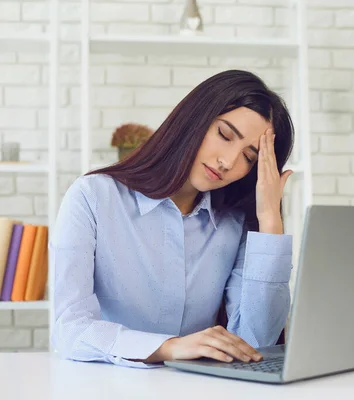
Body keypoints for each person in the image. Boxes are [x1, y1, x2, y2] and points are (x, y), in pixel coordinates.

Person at [50, 70, 296, 368]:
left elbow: (256, 345)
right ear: (195, 119)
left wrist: (270, 220)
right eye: (224, 135)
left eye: (249, 157)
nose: (228, 162)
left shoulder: (235, 223)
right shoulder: (92, 197)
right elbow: (69, 330)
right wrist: (168, 348)